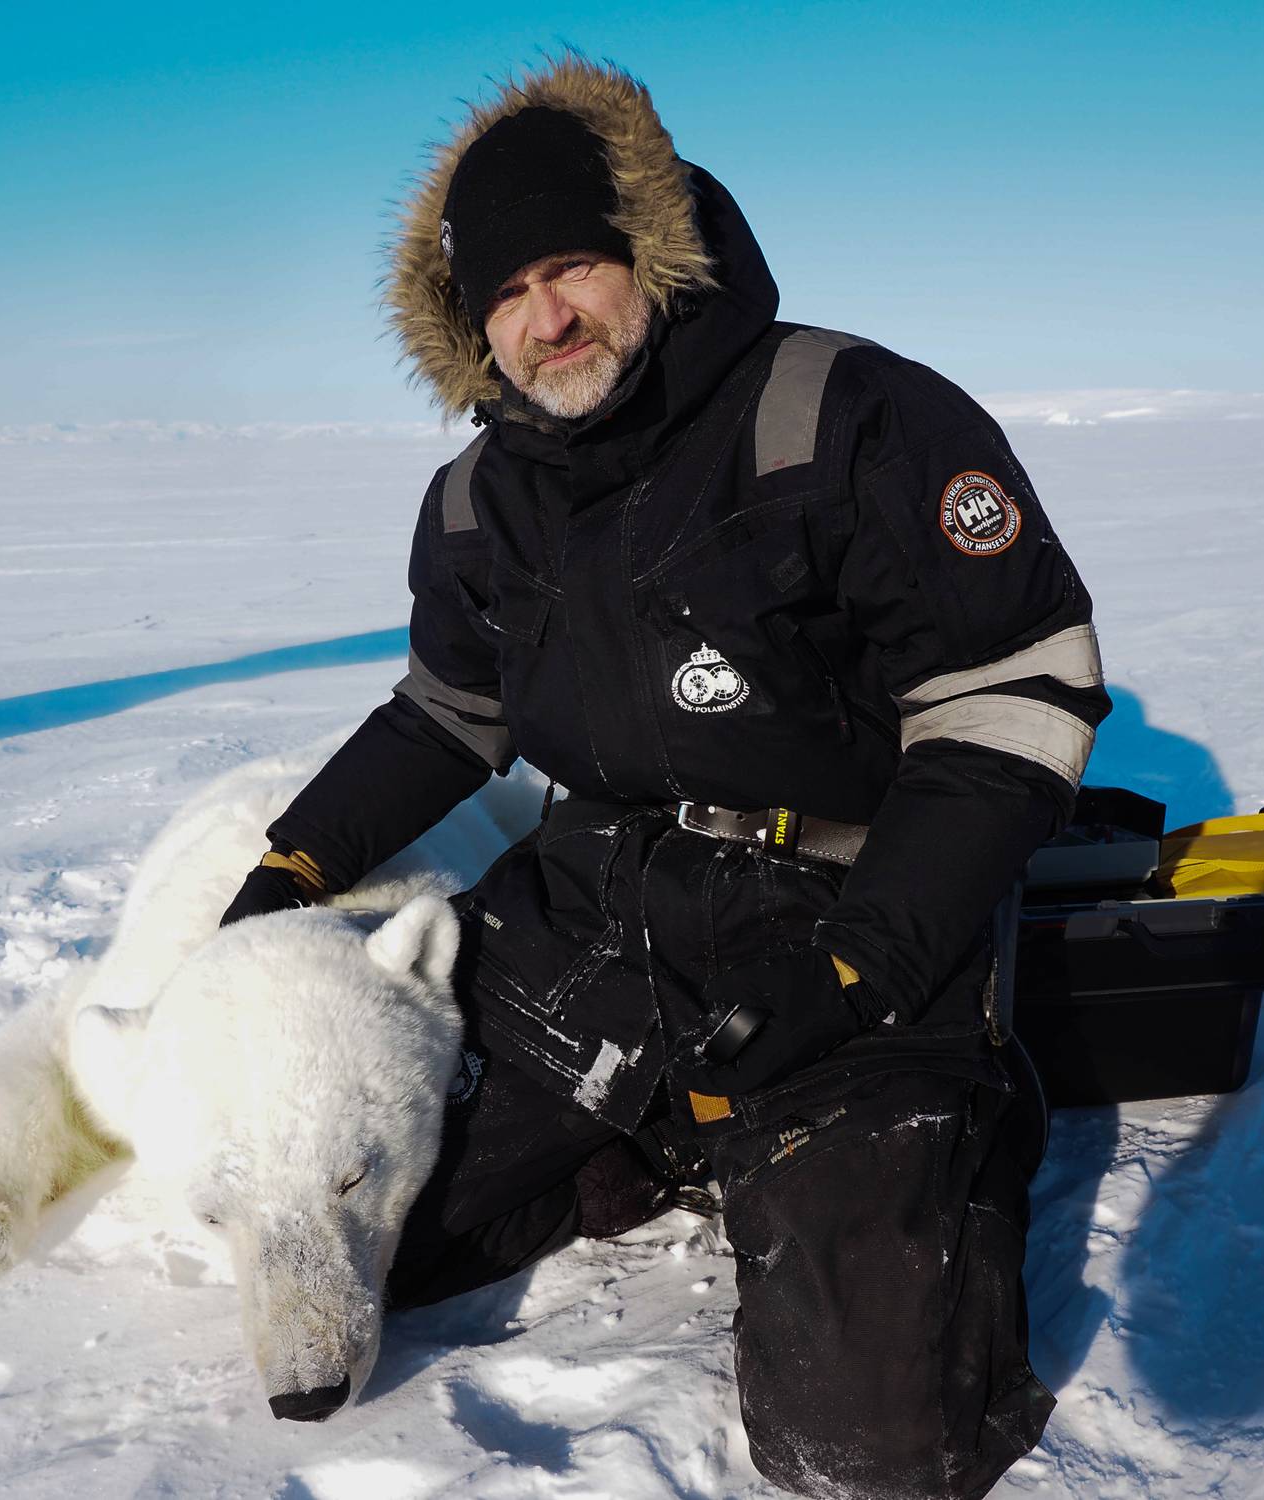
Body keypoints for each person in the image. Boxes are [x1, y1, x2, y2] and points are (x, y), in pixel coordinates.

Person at [220, 51, 1110, 1500]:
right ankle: (672, 1132)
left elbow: (1013, 700)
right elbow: (448, 715)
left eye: (573, 266)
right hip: (604, 894)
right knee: (398, 1226)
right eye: (505, 293)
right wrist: (294, 864)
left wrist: (858, 974)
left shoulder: (848, 415)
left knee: (869, 1449)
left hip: (847, 900)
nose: (546, 315)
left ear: (652, 252)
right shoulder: (474, 501)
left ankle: (914, 1144)